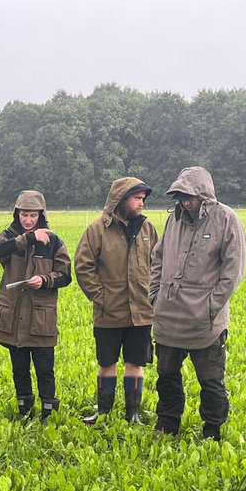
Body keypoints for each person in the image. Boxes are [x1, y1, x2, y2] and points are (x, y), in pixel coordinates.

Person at [149, 166, 246, 440]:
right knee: (166, 375)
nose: (184, 201)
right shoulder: (174, 220)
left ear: (203, 194)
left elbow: (233, 271)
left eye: (189, 195)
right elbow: (157, 258)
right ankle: (167, 424)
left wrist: (211, 307)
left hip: (205, 321)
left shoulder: (226, 219)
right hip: (168, 316)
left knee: (210, 380)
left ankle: (212, 430)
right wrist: (155, 296)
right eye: (180, 195)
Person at [74, 177, 157, 424]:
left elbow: (159, 264)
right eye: (137, 198)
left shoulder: (147, 228)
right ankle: (103, 411)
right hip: (108, 313)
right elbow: (83, 267)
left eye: (143, 199)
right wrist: (101, 298)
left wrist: (152, 295)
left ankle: (133, 414)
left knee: (135, 363)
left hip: (141, 312)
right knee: (106, 362)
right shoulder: (96, 230)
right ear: (121, 199)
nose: (142, 203)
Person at [0, 190, 71, 424]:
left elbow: (65, 275)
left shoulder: (54, 241)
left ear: (40, 215)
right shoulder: (8, 237)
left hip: (41, 317)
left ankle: (48, 412)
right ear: (17, 214)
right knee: (20, 367)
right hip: (13, 316)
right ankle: (24, 410)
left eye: (33, 215)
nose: (28, 220)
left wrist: (44, 280)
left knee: (45, 367)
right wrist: (29, 238)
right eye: (24, 214)